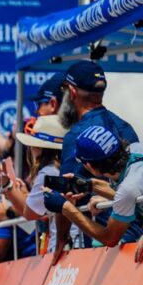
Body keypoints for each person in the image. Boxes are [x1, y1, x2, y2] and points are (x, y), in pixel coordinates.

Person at [54, 61, 141, 257]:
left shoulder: (77, 135)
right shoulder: (125, 126)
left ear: (72, 92)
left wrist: (61, 240)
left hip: (106, 244)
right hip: (135, 236)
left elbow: (66, 191)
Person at [45, 127, 143, 256]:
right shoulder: (136, 148)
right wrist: (89, 185)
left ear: (89, 166)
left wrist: (66, 208)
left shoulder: (127, 189)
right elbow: (133, 194)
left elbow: (110, 238)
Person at [6, 115, 67, 253]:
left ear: (40, 147)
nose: (31, 149)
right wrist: (26, 195)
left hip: (61, 246)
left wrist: (7, 186)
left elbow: (30, 214)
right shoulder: (64, 168)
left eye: (32, 145)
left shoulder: (48, 172)